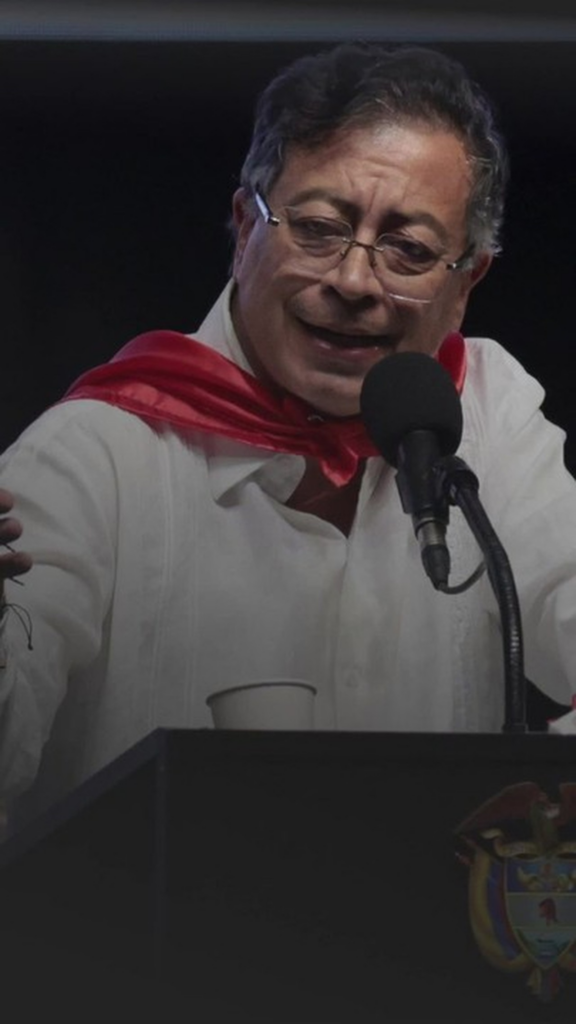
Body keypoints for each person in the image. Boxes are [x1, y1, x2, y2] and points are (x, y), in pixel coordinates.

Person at [0, 41, 575, 830]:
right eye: (318, 228)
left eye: (409, 250)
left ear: (465, 282)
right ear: (245, 227)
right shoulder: (91, 455)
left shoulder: (486, 411)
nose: (353, 281)